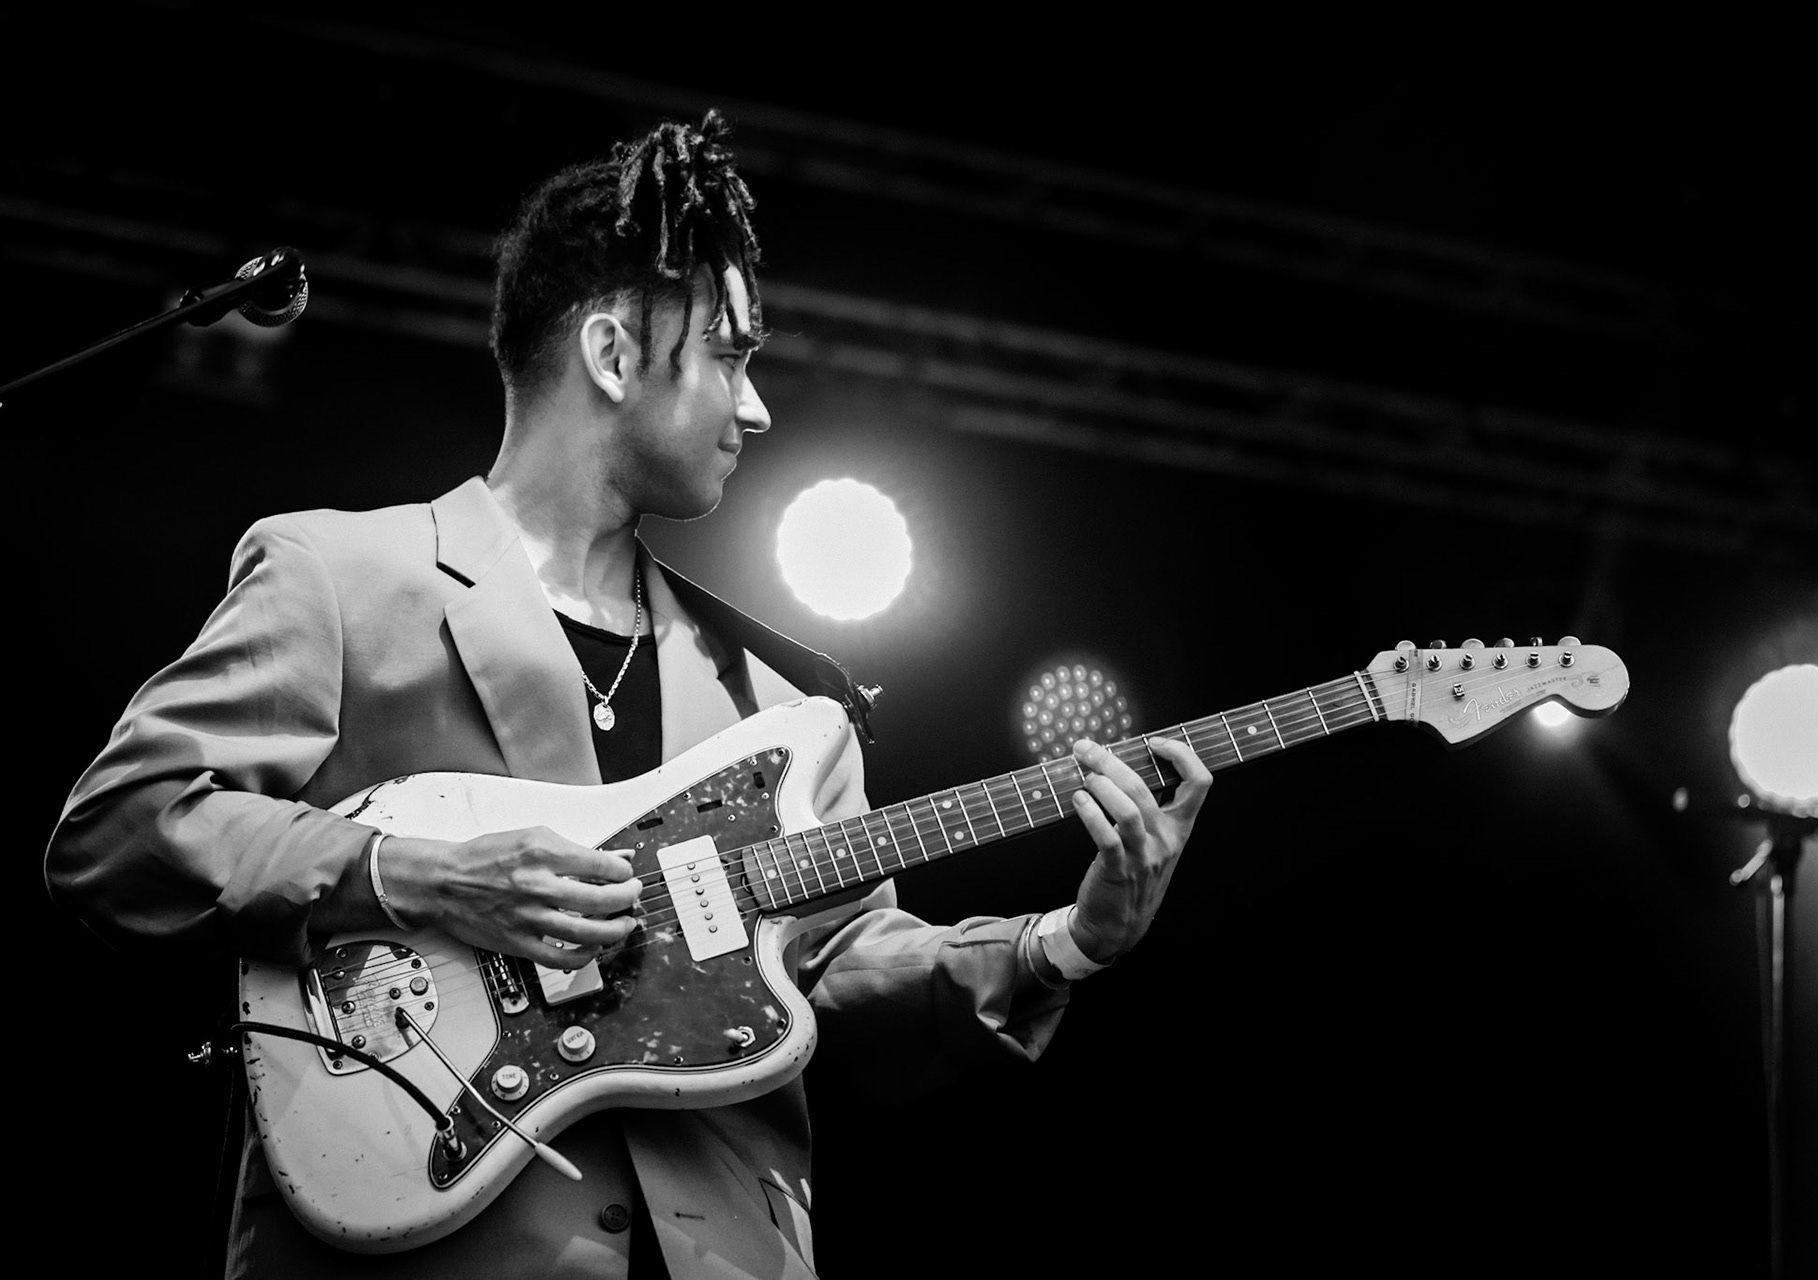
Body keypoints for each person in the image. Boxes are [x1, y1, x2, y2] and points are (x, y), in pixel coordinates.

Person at [44, 111, 1212, 1279]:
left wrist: (1066, 942)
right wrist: (414, 874)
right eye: (731, 356)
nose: (756, 408)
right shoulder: (343, 576)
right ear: (611, 354)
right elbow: (120, 829)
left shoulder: (787, 696)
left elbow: (835, 969)